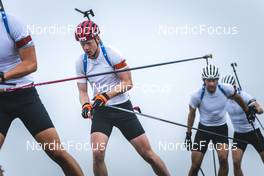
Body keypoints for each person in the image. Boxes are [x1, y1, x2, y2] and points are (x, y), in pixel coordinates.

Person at [75, 19, 171, 176]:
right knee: (97, 154)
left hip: (122, 108)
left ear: (97, 39)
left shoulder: (113, 54)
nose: (86, 47)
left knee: (148, 154)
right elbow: (83, 91)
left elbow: (127, 83)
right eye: (82, 44)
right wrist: (85, 105)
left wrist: (106, 96)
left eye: (89, 42)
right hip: (101, 112)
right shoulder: (81, 62)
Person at [0, 13, 84, 176]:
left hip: (24, 97)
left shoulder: (11, 23)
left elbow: (31, 63)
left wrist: (3, 76)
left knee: (57, 153)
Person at [184, 64, 251, 176]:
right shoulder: (196, 95)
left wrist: (247, 110)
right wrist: (188, 134)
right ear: (204, 80)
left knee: (223, 159)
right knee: (195, 165)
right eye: (209, 80)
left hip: (220, 129)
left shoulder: (226, 89)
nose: (211, 83)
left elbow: (237, 97)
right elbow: (192, 115)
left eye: (214, 80)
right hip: (203, 130)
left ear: (218, 80)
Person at [222, 75, 264, 176]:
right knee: (236, 162)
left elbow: (260, 109)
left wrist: (254, 110)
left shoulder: (244, 95)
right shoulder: (223, 99)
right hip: (239, 134)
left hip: (254, 132)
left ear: (235, 86)